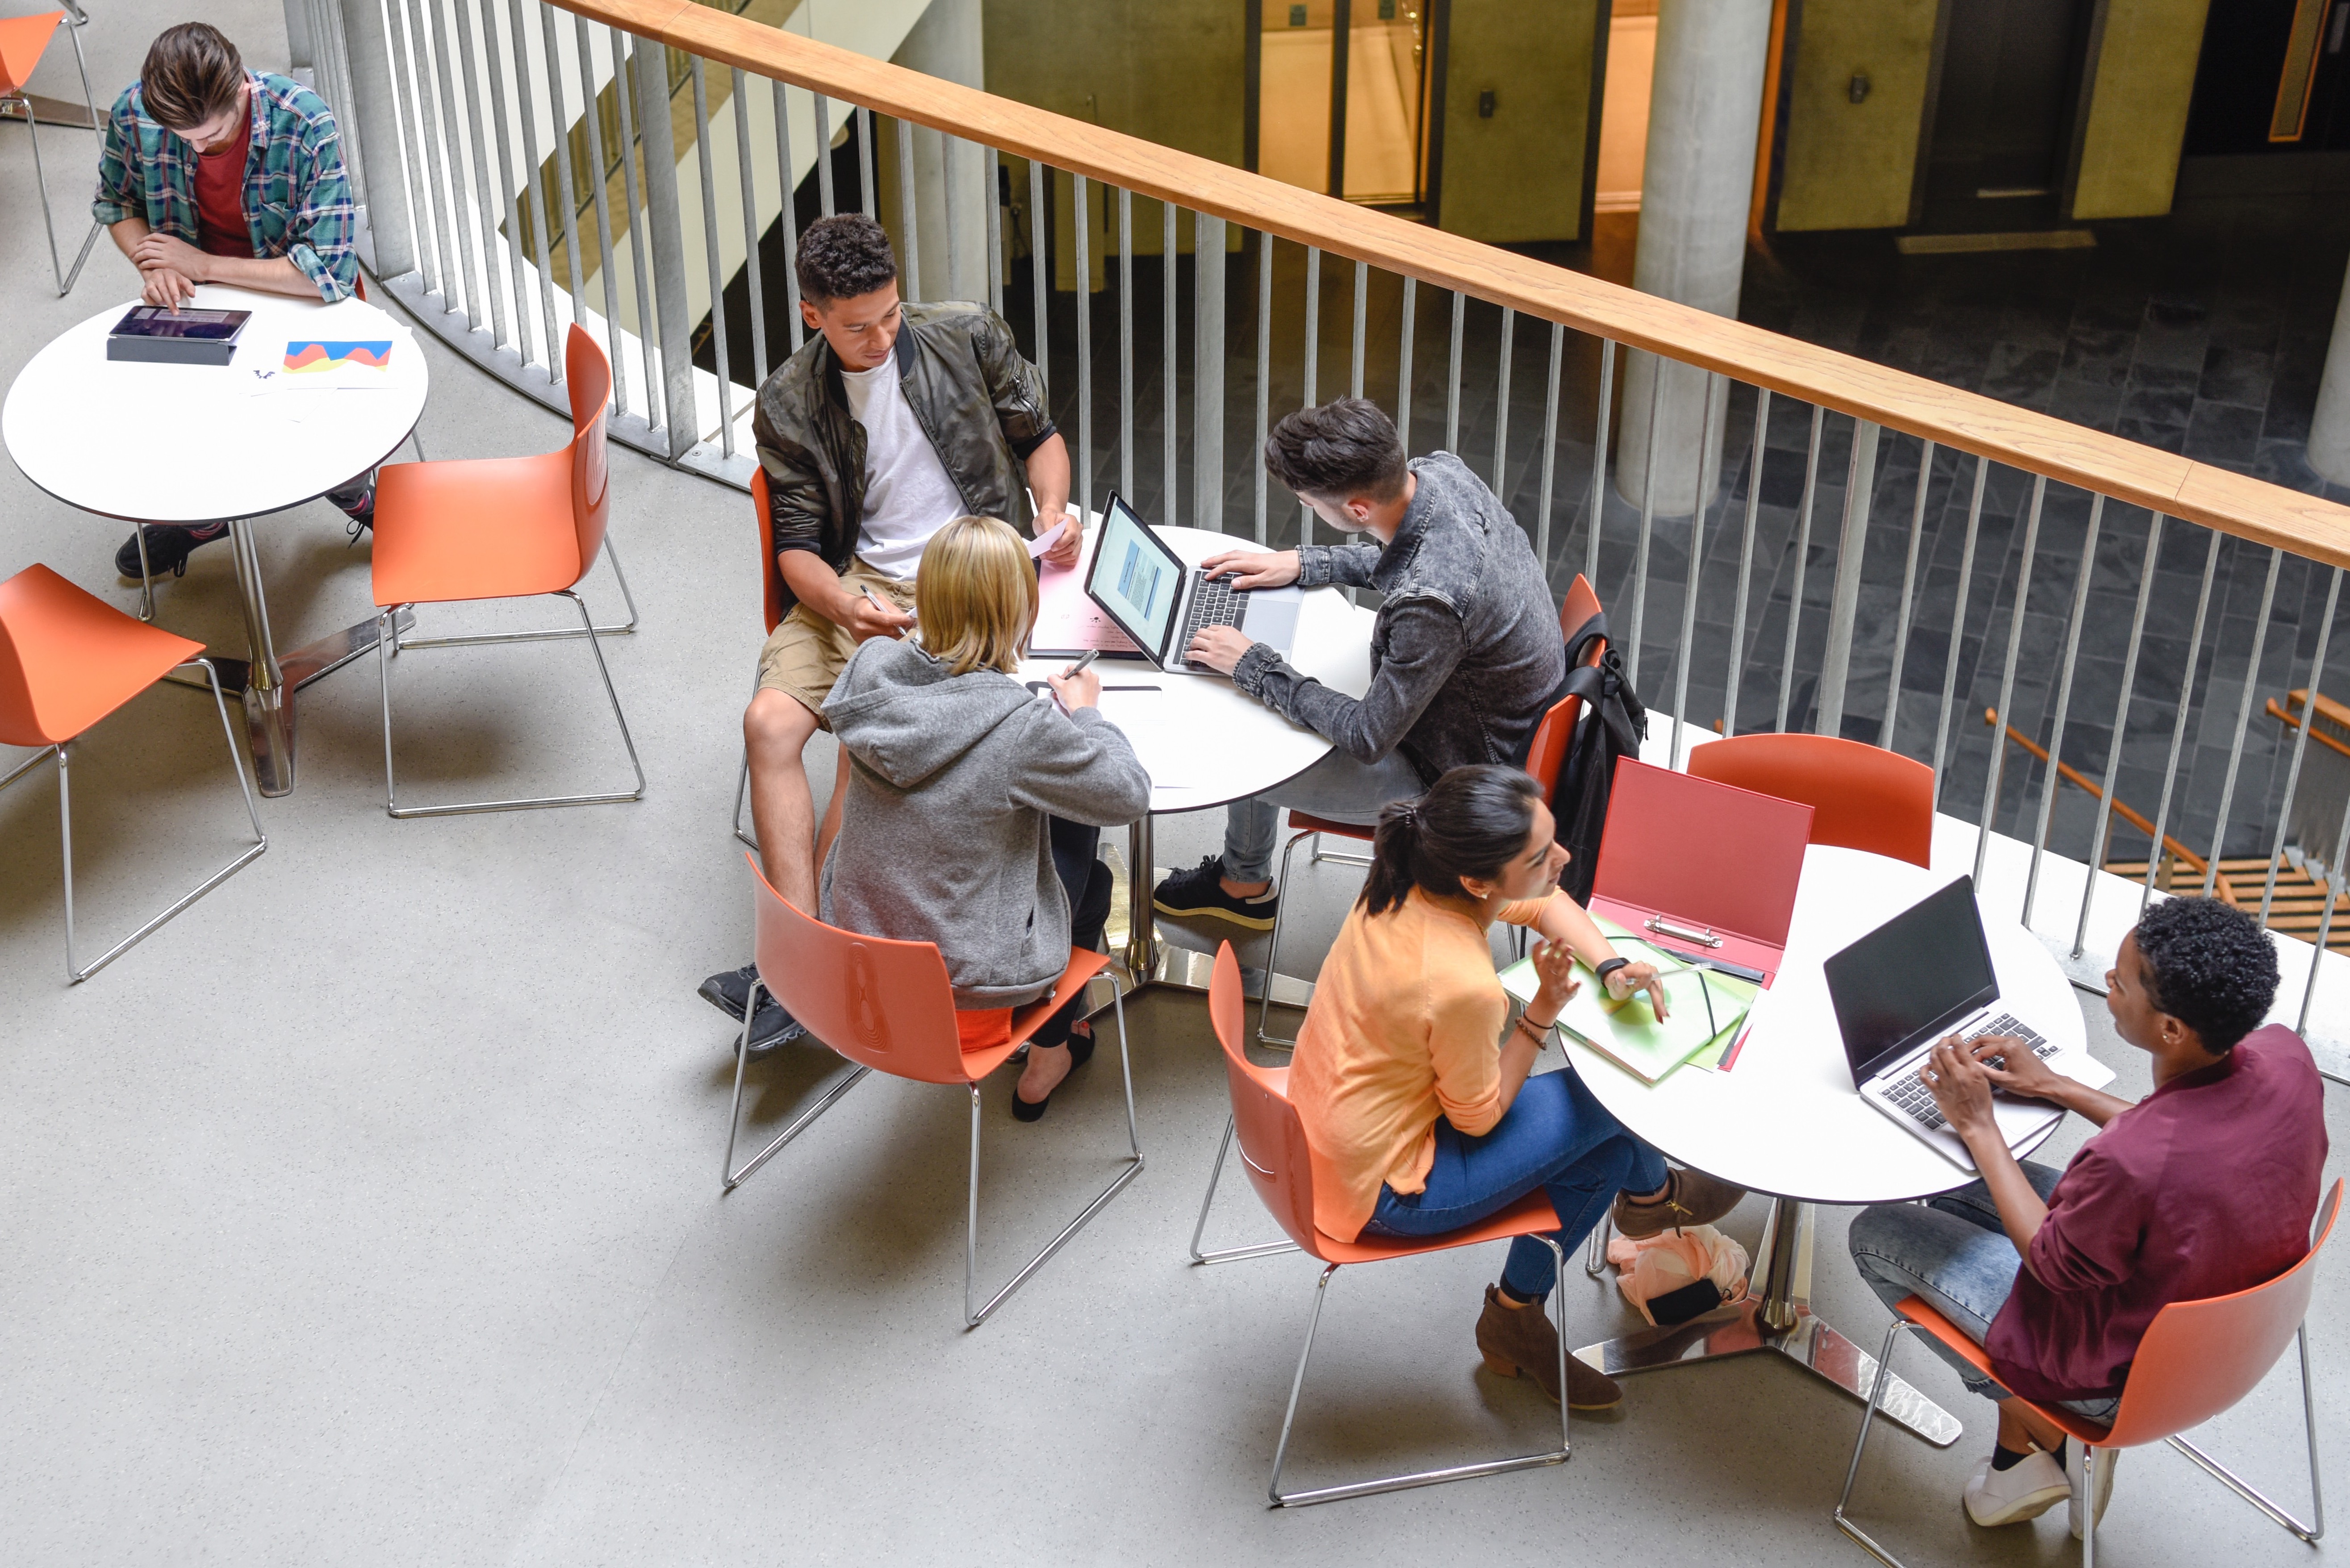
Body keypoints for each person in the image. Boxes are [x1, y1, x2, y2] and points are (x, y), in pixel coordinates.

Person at [699, 214, 1077, 1053]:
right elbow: (797, 549)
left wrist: (1050, 510)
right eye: (857, 327)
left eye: (891, 316)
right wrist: (843, 607)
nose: (881, 339)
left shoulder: (967, 334)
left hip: (962, 574)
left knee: (862, 745)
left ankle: (809, 969)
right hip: (854, 584)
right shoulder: (790, 399)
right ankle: (805, 957)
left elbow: (1041, 439)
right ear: (812, 315)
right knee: (768, 724)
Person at [1846, 896, 2327, 1538]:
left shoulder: (2132, 1160)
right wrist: (2054, 1085)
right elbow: (2188, 1140)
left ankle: (2048, 1432)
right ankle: (2020, 1457)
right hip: (2227, 1334)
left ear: (2171, 1031)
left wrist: (1978, 1123)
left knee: (1876, 1232)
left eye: (2121, 983)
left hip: (2125, 1373)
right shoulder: (2287, 1057)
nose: (2107, 981)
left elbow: (2051, 1262)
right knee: (1953, 1191)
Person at [1288, 765, 1745, 1410]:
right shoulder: (1462, 985)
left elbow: (1542, 902)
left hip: (1316, 1130)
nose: (1564, 858)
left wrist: (1610, 964)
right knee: (1614, 1097)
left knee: (1610, 1152)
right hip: (1382, 1191)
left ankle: (1562, 1275)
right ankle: (1653, 1201)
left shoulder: (1406, 877)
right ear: (1478, 882)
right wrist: (1540, 1014)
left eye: (1552, 839)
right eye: (1540, 856)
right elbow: (1477, 1118)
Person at [1151, 398, 1564, 930]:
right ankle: (1243, 880)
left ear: (1358, 510)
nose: (1308, 509)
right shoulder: (1444, 475)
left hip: (1453, 777)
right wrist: (1305, 562)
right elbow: (1410, 553)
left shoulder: (1432, 605)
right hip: (1493, 728)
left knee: (1244, 754)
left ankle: (1242, 884)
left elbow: (1368, 736)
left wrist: (1253, 663)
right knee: (1273, 699)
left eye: (1310, 503)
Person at [821, 516, 1150, 1115]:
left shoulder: (869, 667)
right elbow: (1128, 794)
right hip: (962, 1001)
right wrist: (1086, 713)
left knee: (1050, 816)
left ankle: (1050, 1043)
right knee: (1092, 864)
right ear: (1021, 612)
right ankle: (1049, 1053)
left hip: (856, 964)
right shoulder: (1021, 726)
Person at [92, 22, 370, 580]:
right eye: (183, 138)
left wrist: (200, 265)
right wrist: (157, 264)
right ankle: (205, 520)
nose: (198, 147)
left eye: (212, 134)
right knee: (184, 422)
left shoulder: (305, 121)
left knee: (326, 428)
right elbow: (117, 203)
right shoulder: (135, 111)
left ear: (242, 88)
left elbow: (328, 274)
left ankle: (353, 493)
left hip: (303, 301)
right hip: (200, 305)